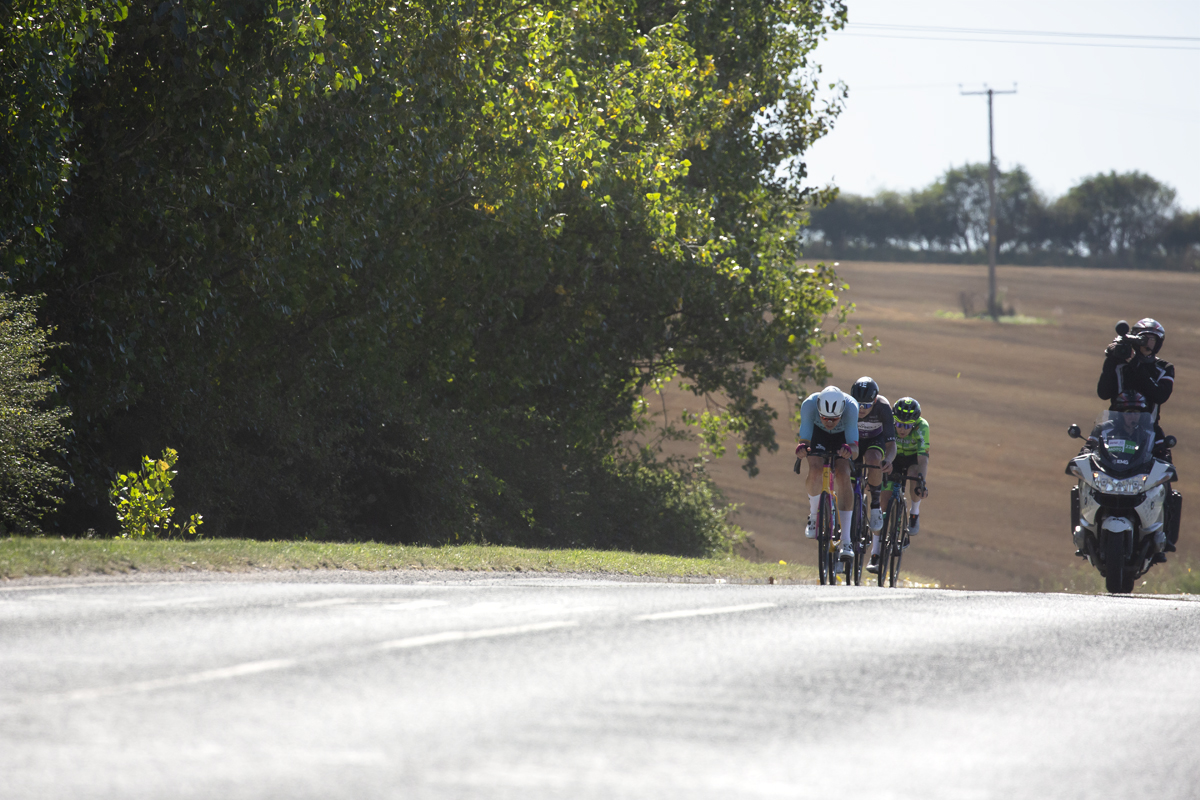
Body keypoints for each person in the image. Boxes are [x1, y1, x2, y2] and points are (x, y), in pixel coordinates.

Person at [793, 385, 860, 562]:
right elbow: (805, 440)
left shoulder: (851, 407)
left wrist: (849, 450)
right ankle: (814, 515)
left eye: (834, 418)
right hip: (818, 435)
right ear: (818, 409)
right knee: (815, 469)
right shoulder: (809, 405)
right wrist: (802, 449)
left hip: (841, 438)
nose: (829, 422)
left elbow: (855, 448)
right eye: (824, 417)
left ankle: (846, 541)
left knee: (844, 473)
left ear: (842, 411)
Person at [1097, 318, 1174, 461]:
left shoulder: (1164, 368)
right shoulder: (1120, 365)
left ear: (1159, 343)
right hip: (1115, 429)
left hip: (1149, 431)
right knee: (1092, 460)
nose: (1148, 343)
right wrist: (1110, 360)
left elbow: (1160, 395)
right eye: (1143, 338)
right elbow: (1103, 393)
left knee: (1165, 469)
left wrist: (1135, 364)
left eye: (1152, 339)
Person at [873, 397, 928, 571]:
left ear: (915, 423)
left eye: (907, 425)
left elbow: (923, 459)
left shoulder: (922, 427)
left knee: (914, 476)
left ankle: (914, 513)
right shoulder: (889, 422)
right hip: (893, 459)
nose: (902, 429)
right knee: (883, 503)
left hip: (912, 460)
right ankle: (875, 552)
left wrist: (921, 481)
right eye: (899, 424)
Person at [849, 377, 897, 556]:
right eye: (858, 404)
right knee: (848, 481)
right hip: (853, 442)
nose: (861, 409)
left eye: (866, 405)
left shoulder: (883, 407)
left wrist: (888, 460)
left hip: (874, 441)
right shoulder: (848, 406)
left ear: (875, 401)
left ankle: (875, 505)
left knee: (873, 457)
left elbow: (892, 446)